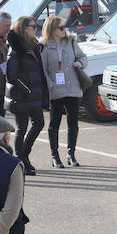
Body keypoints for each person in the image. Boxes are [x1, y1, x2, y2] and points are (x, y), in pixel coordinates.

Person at [39, 15, 86, 168]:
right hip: (55, 90)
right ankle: (55, 155)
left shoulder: (71, 41)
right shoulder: (44, 46)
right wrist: (50, 85)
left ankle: (71, 154)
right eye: (61, 27)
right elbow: (43, 70)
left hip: (72, 88)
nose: (64, 30)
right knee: (55, 123)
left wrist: (80, 63)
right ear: (52, 29)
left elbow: (83, 57)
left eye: (65, 26)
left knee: (73, 122)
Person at [4, 16, 47, 175]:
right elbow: (11, 75)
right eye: (32, 26)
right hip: (21, 96)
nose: (35, 29)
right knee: (21, 128)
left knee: (39, 123)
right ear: (23, 28)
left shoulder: (34, 46)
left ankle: (23, 156)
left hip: (33, 95)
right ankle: (21, 161)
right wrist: (27, 89)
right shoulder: (16, 49)